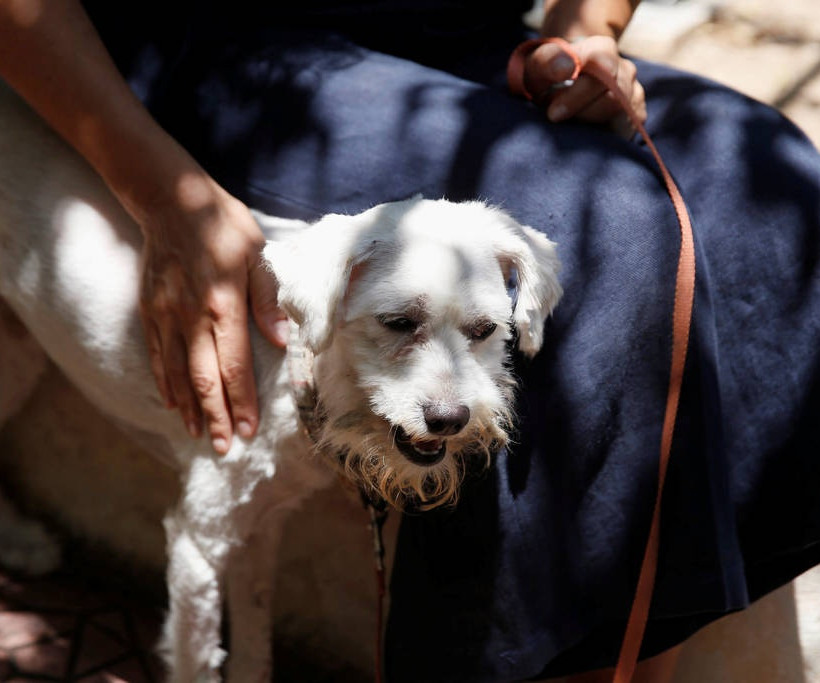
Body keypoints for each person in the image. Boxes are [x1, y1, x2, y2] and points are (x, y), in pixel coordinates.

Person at [1, 0, 819, 681]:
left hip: (447, 32)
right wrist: (163, 193)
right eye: (401, 325)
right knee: (614, 228)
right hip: (230, 45)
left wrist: (586, 27)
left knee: (781, 189)